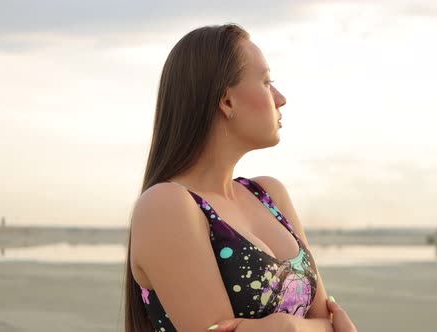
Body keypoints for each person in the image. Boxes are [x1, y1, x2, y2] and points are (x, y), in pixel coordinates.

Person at [124, 23, 358, 332]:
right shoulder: (167, 205)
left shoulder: (269, 194)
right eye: (266, 81)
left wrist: (286, 328)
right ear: (227, 101)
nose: (281, 98)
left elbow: (330, 321)